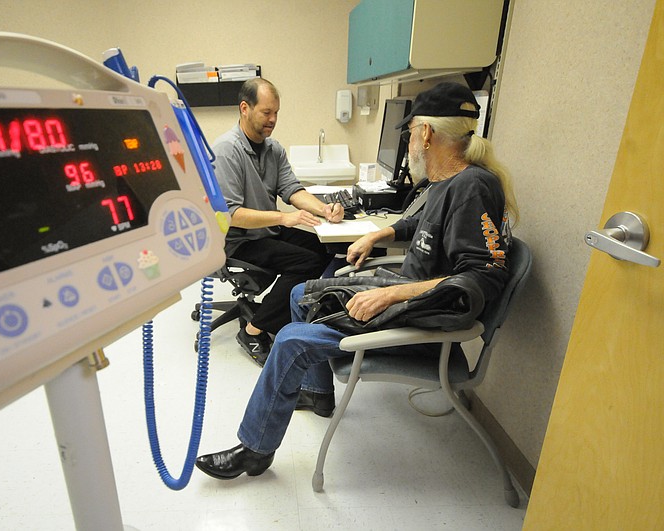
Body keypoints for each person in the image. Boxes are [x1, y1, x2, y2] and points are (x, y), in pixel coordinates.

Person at [195, 82, 520, 480]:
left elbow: (483, 276)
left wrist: (391, 295)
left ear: (427, 133)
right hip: (404, 298)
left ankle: (255, 449)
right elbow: (421, 224)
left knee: (290, 338)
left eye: (412, 131)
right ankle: (318, 394)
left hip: (421, 317)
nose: (411, 143)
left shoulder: (472, 186)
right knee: (300, 294)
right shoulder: (449, 183)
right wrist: (379, 234)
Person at [212, 78, 344, 366]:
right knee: (306, 263)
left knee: (326, 248)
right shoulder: (226, 150)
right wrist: (285, 218)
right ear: (244, 108)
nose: (273, 120)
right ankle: (253, 330)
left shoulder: (274, 150)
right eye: (266, 112)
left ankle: (292, 312)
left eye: (276, 113)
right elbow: (231, 213)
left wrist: (324, 209)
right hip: (237, 240)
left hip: (267, 232)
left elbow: (292, 190)